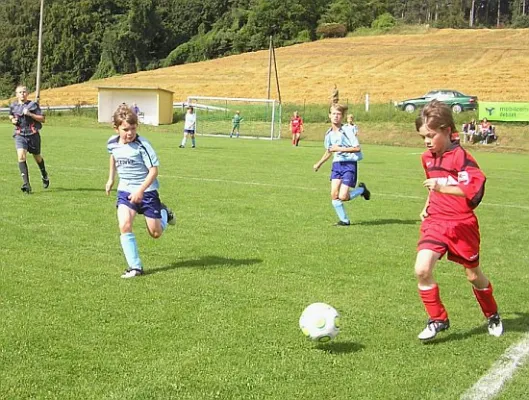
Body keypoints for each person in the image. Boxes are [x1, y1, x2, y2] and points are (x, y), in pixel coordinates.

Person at [413, 100, 503, 341]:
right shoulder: (427, 158)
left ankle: (492, 314)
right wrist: (427, 206)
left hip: (462, 224)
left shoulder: (461, 158)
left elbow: (475, 188)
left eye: (431, 135)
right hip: (436, 221)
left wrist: (443, 186)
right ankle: (438, 319)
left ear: (445, 129)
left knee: (474, 276)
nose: (427, 142)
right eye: (423, 137)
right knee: (422, 269)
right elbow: (433, 187)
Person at [105, 104, 176, 278]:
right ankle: (135, 267)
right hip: (125, 191)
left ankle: (164, 212)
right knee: (124, 225)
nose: (130, 133)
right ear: (116, 128)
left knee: (156, 233)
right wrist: (111, 179)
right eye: (126, 129)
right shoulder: (112, 143)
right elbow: (113, 157)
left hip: (147, 192)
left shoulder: (142, 145)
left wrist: (141, 191)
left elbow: (154, 171)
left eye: (133, 128)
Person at [313, 103, 370, 226]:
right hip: (337, 165)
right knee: (334, 194)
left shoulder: (347, 130)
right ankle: (344, 220)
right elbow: (329, 150)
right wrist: (319, 163)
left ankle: (361, 190)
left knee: (343, 196)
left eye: (338, 114)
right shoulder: (328, 134)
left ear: (342, 116)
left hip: (349, 164)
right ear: (329, 116)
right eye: (333, 114)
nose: (336, 116)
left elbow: (357, 148)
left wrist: (340, 148)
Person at [9, 85, 49, 194]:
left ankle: (44, 174)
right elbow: (11, 115)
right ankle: (26, 184)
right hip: (20, 135)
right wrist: (13, 120)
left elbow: (43, 119)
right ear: (16, 94)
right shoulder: (13, 106)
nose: (22, 94)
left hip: (33, 134)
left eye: (24, 92)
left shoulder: (33, 105)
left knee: (37, 158)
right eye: (20, 92)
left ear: (27, 94)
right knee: (21, 156)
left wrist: (30, 114)